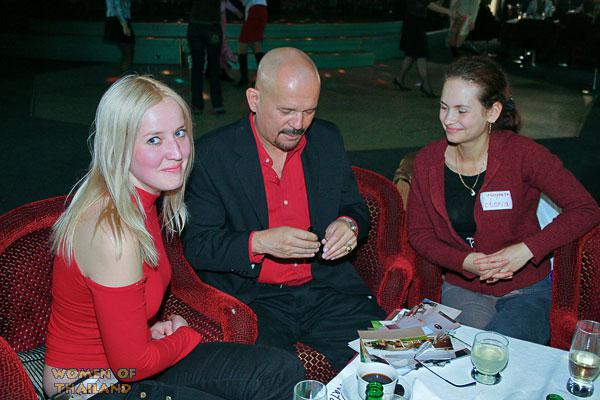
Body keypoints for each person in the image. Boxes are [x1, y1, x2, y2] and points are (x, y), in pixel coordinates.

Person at [42, 75, 304, 400]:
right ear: (119, 146)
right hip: (86, 386)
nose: (177, 152)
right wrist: (185, 336)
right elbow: (132, 366)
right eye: (154, 140)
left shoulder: (145, 202)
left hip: (124, 370)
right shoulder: (115, 232)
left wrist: (145, 333)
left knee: (281, 371)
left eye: (180, 133)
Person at [182, 47, 386, 371]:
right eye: (287, 111)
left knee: (389, 357)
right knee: (275, 377)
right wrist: (260, 243)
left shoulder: (327, 139)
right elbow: (197, 246)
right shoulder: (211, 156)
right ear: (254, 99)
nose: (299, 124)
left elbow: (354, 206)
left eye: (309, 111)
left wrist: (349, 225)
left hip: (326, 288)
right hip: (255, 299)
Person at [407, 56, 600, 344]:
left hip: (525, 290)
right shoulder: (428, 161)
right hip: (464, 287)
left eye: (462, 110)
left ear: (493, 112)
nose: (448, 119)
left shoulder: (522, 155)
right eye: (444, 107)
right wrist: (464, 261)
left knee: (501, 349)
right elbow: (419, 234)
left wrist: (526, 250)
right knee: (464, 354)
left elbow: (585, 209)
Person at [393, 0, 449, 97]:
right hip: (414, 22)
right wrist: (448, 11)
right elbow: (427, 3)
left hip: (413, 21)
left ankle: (399, 79)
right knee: (421, 54)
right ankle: (425, 85)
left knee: (411, 54)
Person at [187, 0, 225, 114]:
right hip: (209, 26)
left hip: (200, 25)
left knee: (200, 66)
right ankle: (216, 104)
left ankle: (197, 105)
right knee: (211, 65)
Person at [236, 0, 268, 87]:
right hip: (262, 10)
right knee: (256, 45)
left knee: (242, 45)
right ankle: (264, 77)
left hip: (254, 10)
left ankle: (244, 79)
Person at [104, 0, 134, 73]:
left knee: (127, 50)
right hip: (118, 20)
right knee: (128, 50)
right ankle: (126, 75)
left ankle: (125, 75)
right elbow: (118, 6)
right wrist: (124, 24)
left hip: (117, 19)